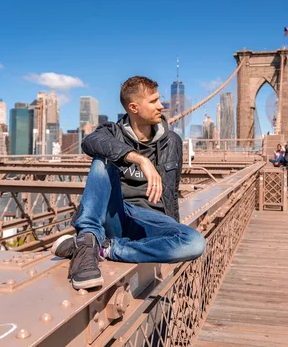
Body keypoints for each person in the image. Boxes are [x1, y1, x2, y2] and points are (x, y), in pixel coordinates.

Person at [51, 76, 206, 290]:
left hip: (152, 220)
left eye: (159, 99)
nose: (161, 106)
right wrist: (139, 158)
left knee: (194, 243)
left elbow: (172, 193)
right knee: (102, 159)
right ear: (134, 107)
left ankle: (105, 248)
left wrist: (173, 232)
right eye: (153, 101)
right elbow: (90, 142)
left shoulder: (173, 142)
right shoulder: (111, 132)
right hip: (119, 214)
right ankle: (88, 241)